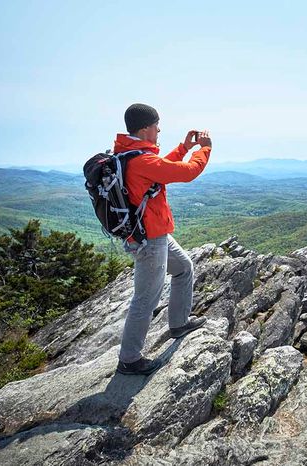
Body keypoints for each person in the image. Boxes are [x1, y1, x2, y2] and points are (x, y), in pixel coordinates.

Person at [114, 103, 212, 375]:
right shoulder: (140, 160)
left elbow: (161, 167)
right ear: (145, 129)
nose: (159, 130)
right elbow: (185, 172)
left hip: (153, 234)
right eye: (157, 125)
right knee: (146, 298)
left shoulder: (130, 155)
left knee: (183, 267)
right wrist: (205, 148)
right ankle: (129, 359)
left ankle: (179, 323)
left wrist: (183, 148)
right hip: (150, 240)